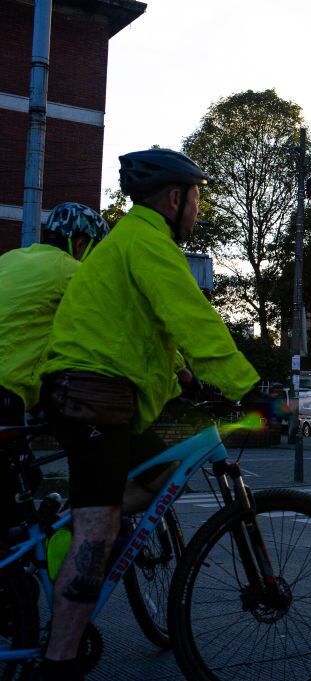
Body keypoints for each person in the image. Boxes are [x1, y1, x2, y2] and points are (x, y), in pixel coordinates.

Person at [34, 148, 267, 681]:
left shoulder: (133, 240)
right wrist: (250, 389)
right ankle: (58, 663)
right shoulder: (148, 241)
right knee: (98, 528)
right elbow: (192, 317)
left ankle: (72, 524)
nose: (199, 211)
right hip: (91, 394)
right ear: (175, 198)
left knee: (165, 463)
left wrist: (186, 374)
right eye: (197, 199)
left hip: (103, 393)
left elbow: (153, 324)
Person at [0, 203, 109, 427]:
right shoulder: (71, 271)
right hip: (5, 385)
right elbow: (115, 319)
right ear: (81, 243)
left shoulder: (10, 258)